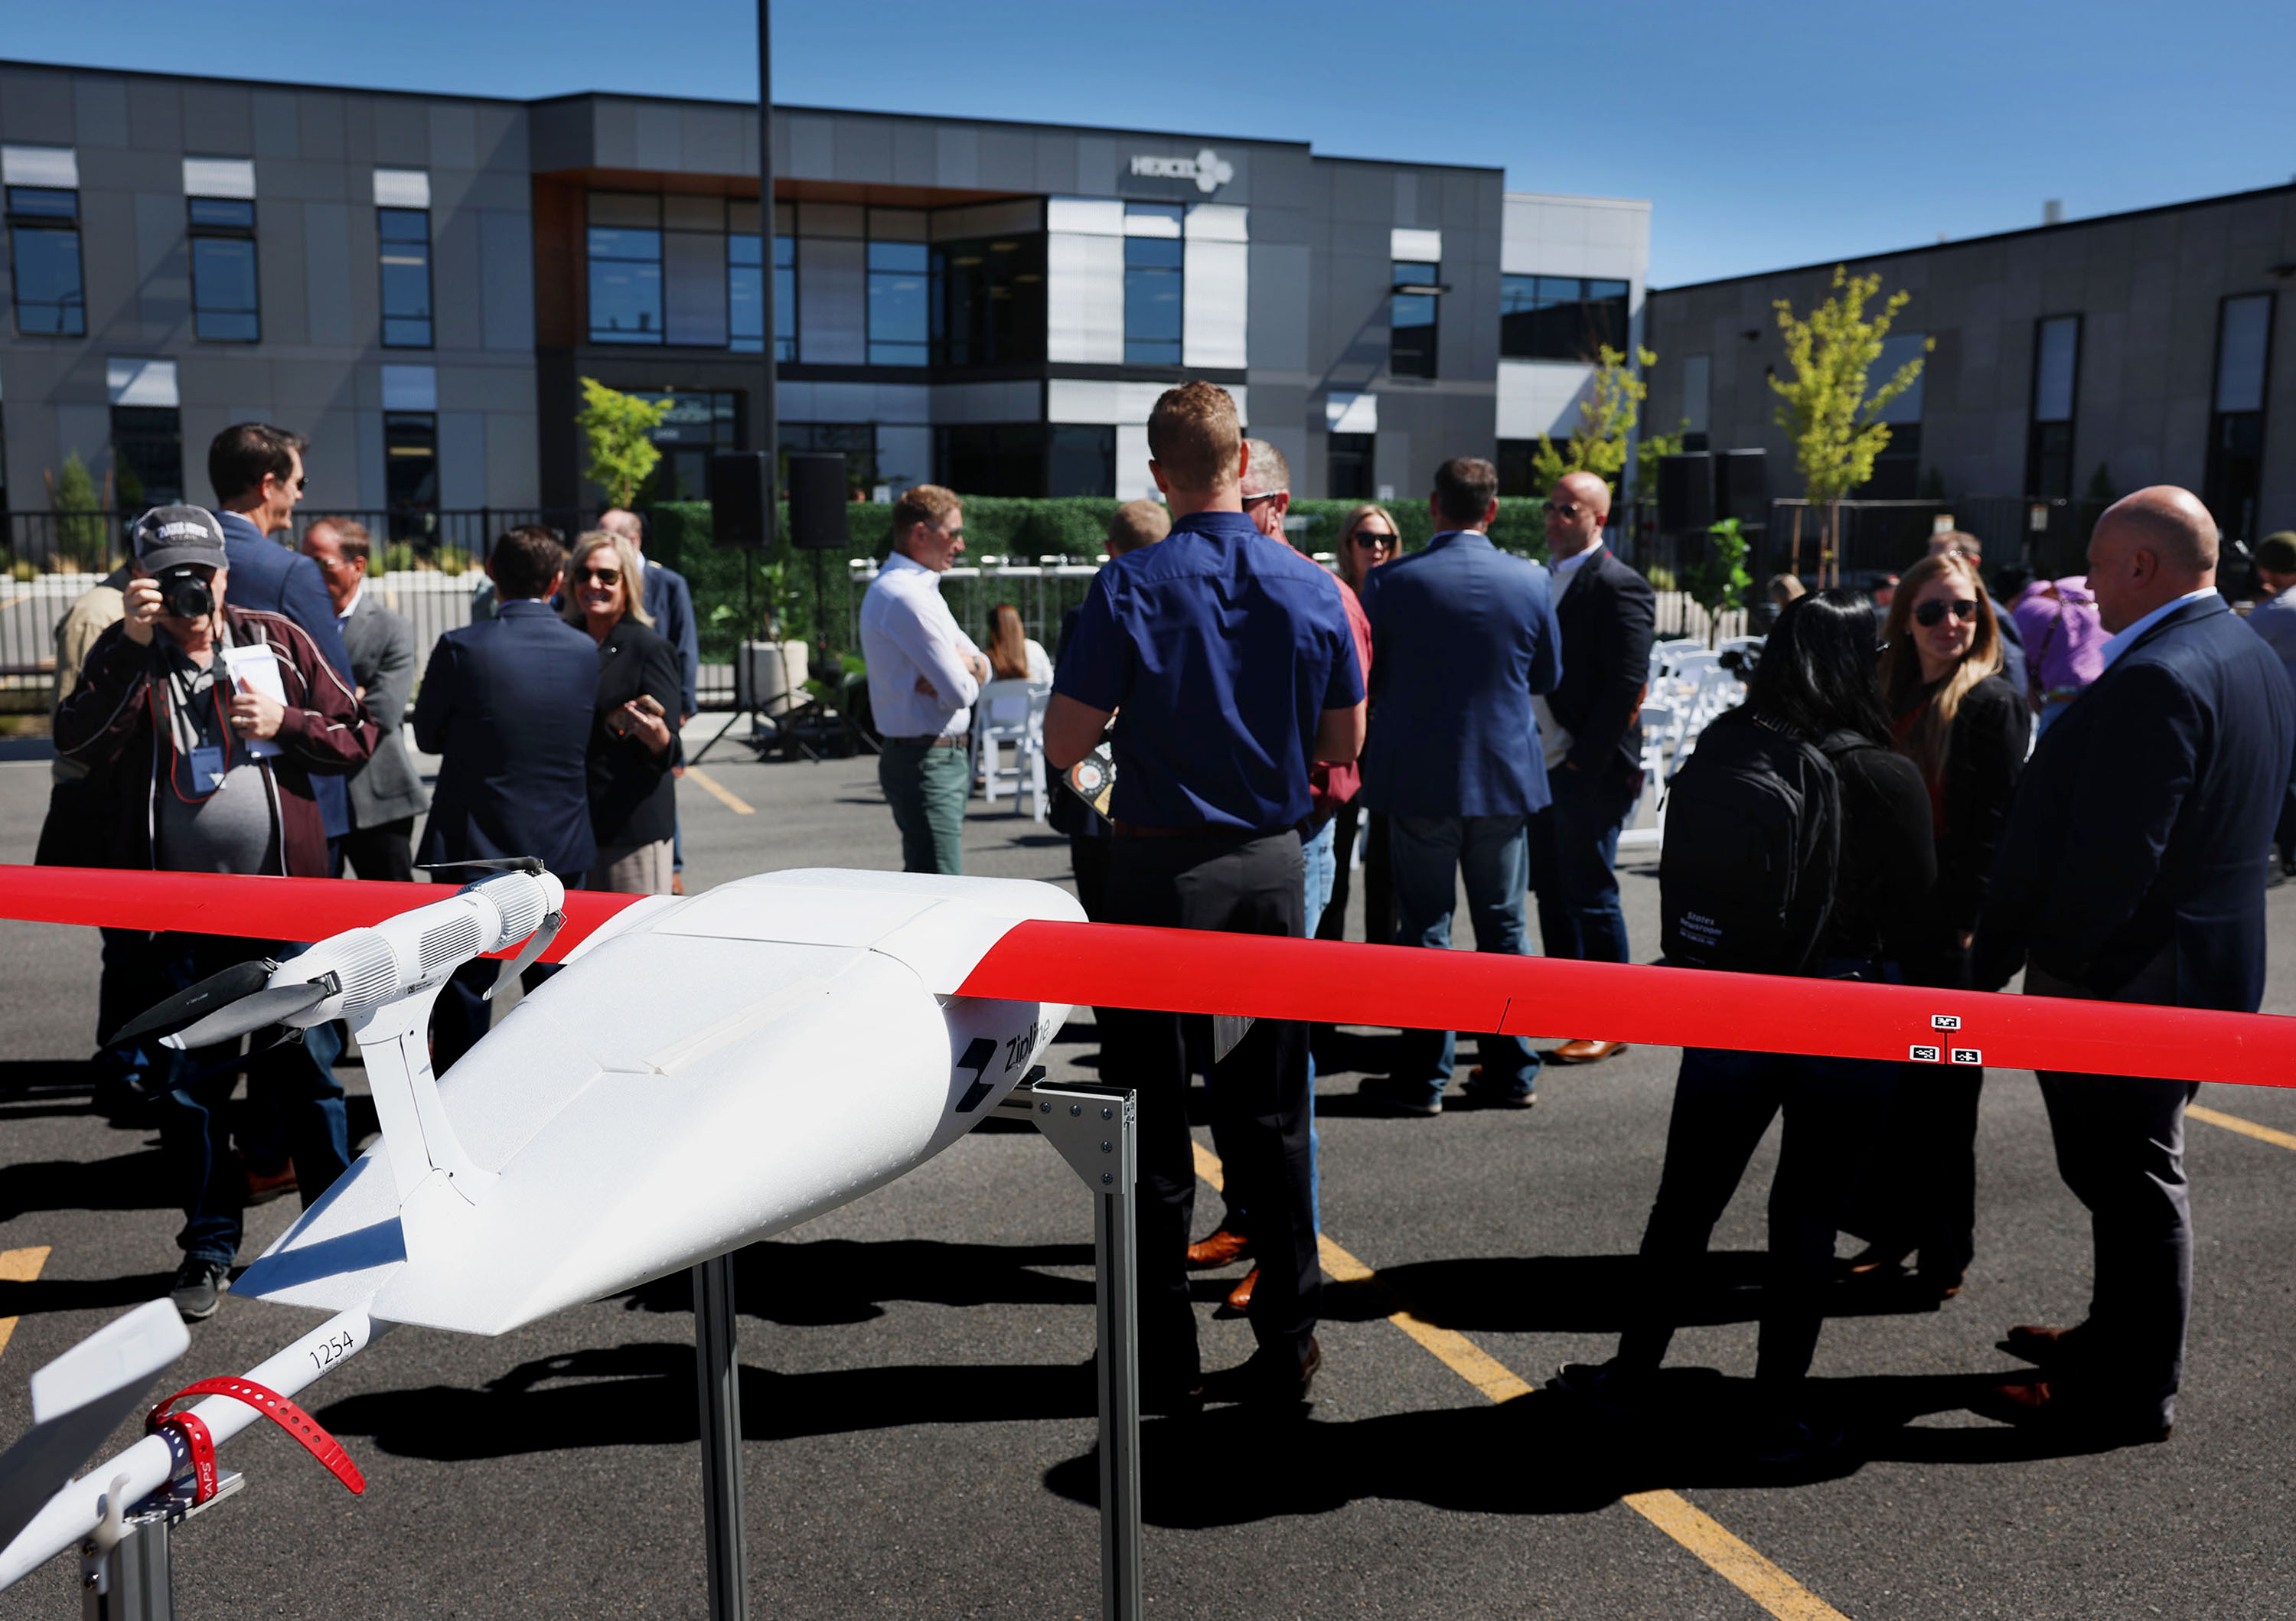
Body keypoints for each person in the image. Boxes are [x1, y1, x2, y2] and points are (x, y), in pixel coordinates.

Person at [1551, 591, 1936, 1462]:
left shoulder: (1730, 743)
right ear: (1858, 662)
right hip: (1849, 1011)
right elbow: (1922, 916)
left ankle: (1630, 1376)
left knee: (1687, 1198)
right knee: (1806, 1213)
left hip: (1736, 1000)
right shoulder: (1885, 773)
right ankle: (1775, 1414)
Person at [1045, 381, 1363, 1407]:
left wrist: (1117, 797)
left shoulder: (1128, 584)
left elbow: (1066, 745)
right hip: (1267, 863)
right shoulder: (1311, 586)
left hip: (1154, 869)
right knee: (1271, 1112)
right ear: (1240, 462)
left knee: (1147, 1114)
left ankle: (1157, 1348)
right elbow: (1344, 745)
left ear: (1159, 474)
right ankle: (1290, 1338)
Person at [1973, 486, 2295, 1445]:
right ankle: (2114, 1340)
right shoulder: (2246, 650)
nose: (2084, 584)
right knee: (2125, 1178)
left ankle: (2128, 1390)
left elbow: (2114, 863)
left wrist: (2051, 968)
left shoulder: (2162, 674)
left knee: (2132, 1181)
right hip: (2193, 969)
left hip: (2127, 983)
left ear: (2142, 567)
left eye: (2095, 565)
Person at [54, 505, 379, 1322]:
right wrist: (131, 648)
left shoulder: (278, 640)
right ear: (143, 583)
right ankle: (207, 1247)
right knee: (189, 1092)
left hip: (285, 908)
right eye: (172, 579)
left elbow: (357, 733)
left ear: (225, 575)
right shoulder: (126, 653)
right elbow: (78, 745)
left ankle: (334, 1243)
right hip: (178, 920)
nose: (190, 593)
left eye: (201, 575)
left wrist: (286, 723)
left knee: (309, 1077)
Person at [1194, 442, 1374, 1316]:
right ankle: (1248, 1215)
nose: (1230, 520)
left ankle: (1287, 1244)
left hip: (1295, 834)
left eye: (1245, 503)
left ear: (1277, 505)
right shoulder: (1226, 583)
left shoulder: (1321, 592)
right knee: (1229, 1049)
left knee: (1275, 1058)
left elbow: (1344, 739)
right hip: (1236, 841)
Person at [1845, 548, 2029, 1296]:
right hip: (1883, 928)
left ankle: (1944, 1255)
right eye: (1932, 611)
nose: (1950, 622)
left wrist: (1966, 927)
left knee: (1944, 1107)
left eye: (1964, 608)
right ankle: (1894, 1231)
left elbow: (1996, 830)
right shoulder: (1885, 692)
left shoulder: (1991, 702)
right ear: (1905, 620)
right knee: (1887, 1100)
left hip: (1948, 941)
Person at [1355, 456, 1560, 1115]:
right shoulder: (1530, 579)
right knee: (1504, 928)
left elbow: (1369, 673)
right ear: (1492, 510)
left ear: (1434, 506)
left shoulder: (1391, 581)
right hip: (1502, 774)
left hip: (1420, 774)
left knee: (1425, 931)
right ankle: (1512, 1069)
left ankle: (1424, 1077)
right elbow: (1546, 676)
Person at [413, 525, 602, 1071]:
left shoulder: (462, 646)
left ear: (491, 572)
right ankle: (555, 1089)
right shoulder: (585, 650)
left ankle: (457, 1096)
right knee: (554, 985)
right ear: (558, 580)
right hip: (560, 841)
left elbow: (427, 736)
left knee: (464, 988)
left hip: (474, 842)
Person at [1531, 470, 1656, 1063]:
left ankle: (1611, 1019)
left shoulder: (1618, 584)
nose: (1555, 519)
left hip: (1589, 768)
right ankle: (1568, 1007)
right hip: (1542, 763)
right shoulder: (1542, 578)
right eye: (1551, 507)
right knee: (1553, 892)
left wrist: (1583, 762)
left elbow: (1628, 684)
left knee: (1591, 891)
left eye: (1569, 510)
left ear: (1599, 520)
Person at [206, 424, 358, 855]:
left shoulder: (176, 563)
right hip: (288, 795)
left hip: (192, 787)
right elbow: (338, 696)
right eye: (298, 483)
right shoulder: (290, 571)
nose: (300, 496)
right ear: (267, 485)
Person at [859, 485, 990, 876]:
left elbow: (985, 665)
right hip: (927, 760)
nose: (960, 545)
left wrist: (969, 664)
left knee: (931, 879)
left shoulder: (918, 589)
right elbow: (961, 692)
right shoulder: (907, 596)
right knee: (940, 884)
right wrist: (969, 668)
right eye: (953, 533)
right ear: (920, 533)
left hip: (932, 757)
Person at [1050, 500, 1169, 921]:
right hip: (1165, 793)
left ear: (1109, 548)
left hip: (1094, 782)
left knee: (1099, 912)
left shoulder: (1089, 614)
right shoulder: (1189, 606)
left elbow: (1068, 708)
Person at [301, 518, 427, 882]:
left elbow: (383, 713)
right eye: (303, 562)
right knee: (317, 906)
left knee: (393, 906)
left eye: (320, 562)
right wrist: (353, 695)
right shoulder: (294, 625)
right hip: (315, 798)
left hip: (378, 799)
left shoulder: (392, 628)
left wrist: (313, 708)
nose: (308, 572)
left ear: (357, 566)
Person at [563, 531, 683, 892]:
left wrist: (658, 738)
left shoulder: (650, 649)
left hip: (629, 831)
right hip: (569, 827)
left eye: (607, 576)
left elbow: (672, 750)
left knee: (633, 927)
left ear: (628, 584)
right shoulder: (562, 640)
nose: (593, 584)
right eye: (583, 574)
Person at [603, 507, 700, 895]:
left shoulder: (667, 582)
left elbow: (685, 646)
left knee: (659, 781)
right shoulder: (594, 582)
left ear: (634, 540)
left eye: (611, 537)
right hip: (613, 712)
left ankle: (672, 866)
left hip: (658, 708)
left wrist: (683, 706)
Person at [1319, 504, 1403, 947]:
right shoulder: (1330, 596)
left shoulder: (1403, 597)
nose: (1377, 548)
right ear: (1347, 544)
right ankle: (1330, 965)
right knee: (1333, 858)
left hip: (1389, 742)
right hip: (1341, 739)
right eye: (1366, 539)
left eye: (1386, 540)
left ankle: (1381, 964)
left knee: (1387, 865)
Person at [2241, 532, 2296, 874]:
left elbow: (2238, 647)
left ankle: (2287, 853)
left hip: (2286, 714)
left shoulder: (2275, 611)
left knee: (2285, 783)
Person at [1927, 531, 2027, 696]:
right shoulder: (1926, 605)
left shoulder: (1992, 614)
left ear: (1973, 562)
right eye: (1930, 561)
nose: (1934, 568)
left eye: (1946, 558)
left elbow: (2013, 671)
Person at [2010, 572, 2108, 735]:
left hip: (2062, 703)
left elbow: (2025, 681)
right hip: (2110, 691)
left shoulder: (2024, 612)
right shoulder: (2085, 588)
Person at [985, 602, 1054, 684]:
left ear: (992, 631)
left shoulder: (986, 660)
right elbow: (1050, 683)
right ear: (1018, 625)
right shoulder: (1036, 649)